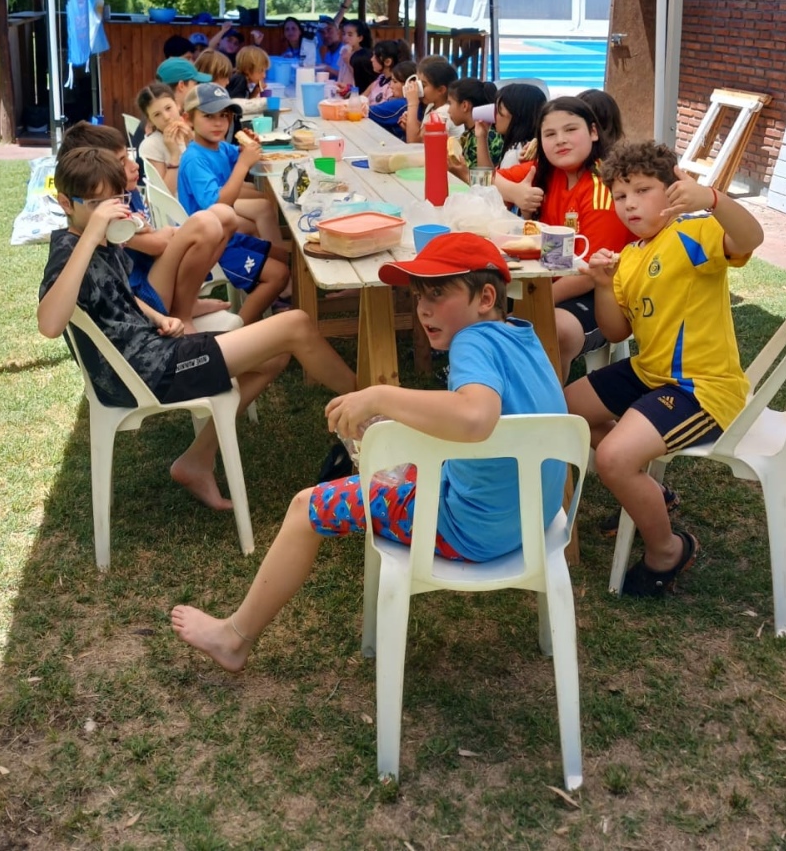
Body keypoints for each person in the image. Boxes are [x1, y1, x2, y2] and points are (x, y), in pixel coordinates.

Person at [169, 233, 568, 672]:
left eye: (438, 294)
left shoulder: (472, 342)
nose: (424, 309)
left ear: (486, 297)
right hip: (533, 521)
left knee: (306, 508)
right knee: (395, 457)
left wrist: (379, 396)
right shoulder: (524, 336)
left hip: (469, 527)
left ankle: (234, 637)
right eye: (419, 297)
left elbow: (475, 419)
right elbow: (497, 424)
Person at [38, 145, 357, 511]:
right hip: (146, 372)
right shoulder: (70, 250)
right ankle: (371, 413)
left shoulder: (102, 241)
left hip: (154, 347)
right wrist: (93, 234)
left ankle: (196, 461)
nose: (106, 213)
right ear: (65, 203)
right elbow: (49, 324)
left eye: (115, 201)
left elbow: (117, 293)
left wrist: (159, 317)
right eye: (95, 205)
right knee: (295, 324)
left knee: (275, 354)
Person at [565, 141, 764, 596]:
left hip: (703, 387)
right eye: (620, 195)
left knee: (614, 457)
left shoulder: (695, 234)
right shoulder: (631, 257)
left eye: (643, 189)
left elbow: (751, 238)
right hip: (649, 373)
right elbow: (615, 332)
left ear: (673, 191)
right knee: (561, 412)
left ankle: (668, 551)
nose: (629, 203)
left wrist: (712, 200)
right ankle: (654, 493)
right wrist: (601, 285)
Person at [498, 96, 633, 381]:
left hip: (601, 293)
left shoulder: (602, 188)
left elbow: (590, 274)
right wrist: (515, 193)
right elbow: (486, 180)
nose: (560, 140)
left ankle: (548, 412)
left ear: (593, 132)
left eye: (571, 130)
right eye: (550, 134)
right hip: (548, 281)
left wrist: (535, 302)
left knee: (550, 330)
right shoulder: (547, 172)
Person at [60, 120, 233, 329]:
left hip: (153, 275)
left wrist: (166, 233)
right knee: (204, 224)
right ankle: (181, 313)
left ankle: (185, 303)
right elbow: (157, 245)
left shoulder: (128, 193)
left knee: (226, 216)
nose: (133, 166)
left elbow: (155, 240)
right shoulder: (104, 212)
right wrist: (170, 232)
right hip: (141, 297)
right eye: (121, 162)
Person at [177, 83, 290, 322]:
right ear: (188, 119)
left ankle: (280, 300)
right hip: (212, 244)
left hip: (225, 234)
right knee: (279, 274)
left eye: (224, 116)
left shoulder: (218, 147)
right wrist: (242, 165)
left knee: (282, 256)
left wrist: (246, 147)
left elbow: (236, 154)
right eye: (209, 116)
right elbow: (218, 204)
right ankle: (239, 330)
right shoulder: (194, 158)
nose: (218, 123)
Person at [137, 81, 192, 192]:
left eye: (168, 108)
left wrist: (193, 142)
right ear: (150, 121)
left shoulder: (193, 129)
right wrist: (174, 155)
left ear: (177, 105)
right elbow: (165, 194)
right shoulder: (151, 145)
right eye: (157, 114)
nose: (166, 117)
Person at [446, 77, 505, 178]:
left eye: (450, 103)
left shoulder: (489, 136)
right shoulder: (468, 134)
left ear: (465, 106)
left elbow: (482, 181)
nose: (448, 110)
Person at [402, 55, 459, 144]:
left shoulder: (445, 112)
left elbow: (413, 142)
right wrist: (412, 124)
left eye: (423, 85)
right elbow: (422, 135)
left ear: (441, 90)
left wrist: (413, 103)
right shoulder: (432, 105)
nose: (418, 88)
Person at [365, 39, 411, 105]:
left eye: (375, 56)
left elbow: (386, 110)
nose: (371, 59)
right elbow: (363, 97)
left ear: (387, 62)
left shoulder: (393, 87)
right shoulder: (381, 79)